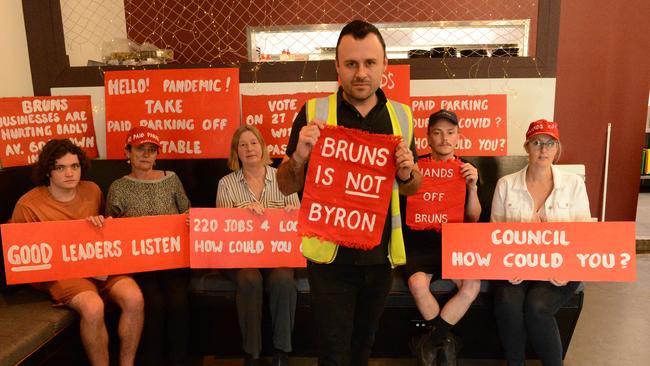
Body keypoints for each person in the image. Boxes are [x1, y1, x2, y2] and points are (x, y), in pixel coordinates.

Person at [276, 20, 422, 366]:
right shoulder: (314, 113)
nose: (361, 73)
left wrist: (407, 171)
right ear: (337, 67)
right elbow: (285, 184)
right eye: (351, 64)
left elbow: (413, 186)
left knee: (362, 349)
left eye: (370, 63)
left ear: (385, 65)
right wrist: (299, 155)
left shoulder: (402, 117)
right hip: (330, 260)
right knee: (332, 353)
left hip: (381, 258)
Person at [10, 139, 144, 366]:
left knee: (134, 298)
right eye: (60, 168)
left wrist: (101, 223)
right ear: (48, 172)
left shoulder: (92, 190)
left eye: (74, 166)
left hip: (99, 264)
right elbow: (20, 254)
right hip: (62, 273)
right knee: (93, 307)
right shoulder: (28, 204)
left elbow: (109, 231)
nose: (69, 173)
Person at [490, 119, 591, 366]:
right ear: (527, 147)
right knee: (508, 305)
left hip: (560, 268)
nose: (543, 149)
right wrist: (506, 266)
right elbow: (494, 236)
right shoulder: (505, 185)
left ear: (557, 148)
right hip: (514, 268)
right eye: (537, 142)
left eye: (549, 143)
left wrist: (568, 268)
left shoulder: (573, 185)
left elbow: (585, 234)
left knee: (537, 307)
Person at [105, 127, 192, 366]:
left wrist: (188, 218)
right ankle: (152, 360)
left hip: (174, 258)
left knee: (178, 301)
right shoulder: (118, 187)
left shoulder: (171, 178)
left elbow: (187, 210)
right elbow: (110, 228)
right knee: (153, 302)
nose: (146, 154)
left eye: (151, 150)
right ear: (128, 152)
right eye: (140, 149)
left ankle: (179, 360)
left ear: (157, 154)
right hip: (139, 263)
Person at [216, 125, 300, 366]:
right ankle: (251, 354)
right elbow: (221, 228)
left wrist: (293, 211)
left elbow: (296, 220)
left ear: (263, 147)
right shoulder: (226, 183)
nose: (249, 148)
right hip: (240, 258)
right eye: (243, 144)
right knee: (250, 280)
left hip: (277, 255)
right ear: (236, 152)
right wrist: (242, 214)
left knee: (284, 281)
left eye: (253, 143)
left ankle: (282, 353)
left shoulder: (283, 177)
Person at [405, 110, 481, 366]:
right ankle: (447, 341)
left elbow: (472, 219)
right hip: (420, 243)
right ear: (428, 137)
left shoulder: (466, 169)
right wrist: (409, 178)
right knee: (417, 284)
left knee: (472, 286)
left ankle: (433, 340)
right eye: (437, 132)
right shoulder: (417, 168)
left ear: (458, 137)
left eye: (450, 132)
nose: (444, 138)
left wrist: (472, 188)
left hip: (455, 242)